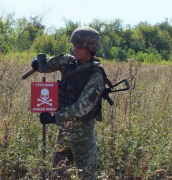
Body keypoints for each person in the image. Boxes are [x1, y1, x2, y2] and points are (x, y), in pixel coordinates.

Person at [31, 26, 107, 179]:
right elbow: (49, 64)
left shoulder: (96, 76)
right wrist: (38, 63)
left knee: (87, 175)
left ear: (90, 50)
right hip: (64, 131)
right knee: (58, 174)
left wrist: (55, 117)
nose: (75, 50)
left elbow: (82, 107)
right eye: (74, 46)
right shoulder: (68, 61)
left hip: (83, 135)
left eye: (79, 47)